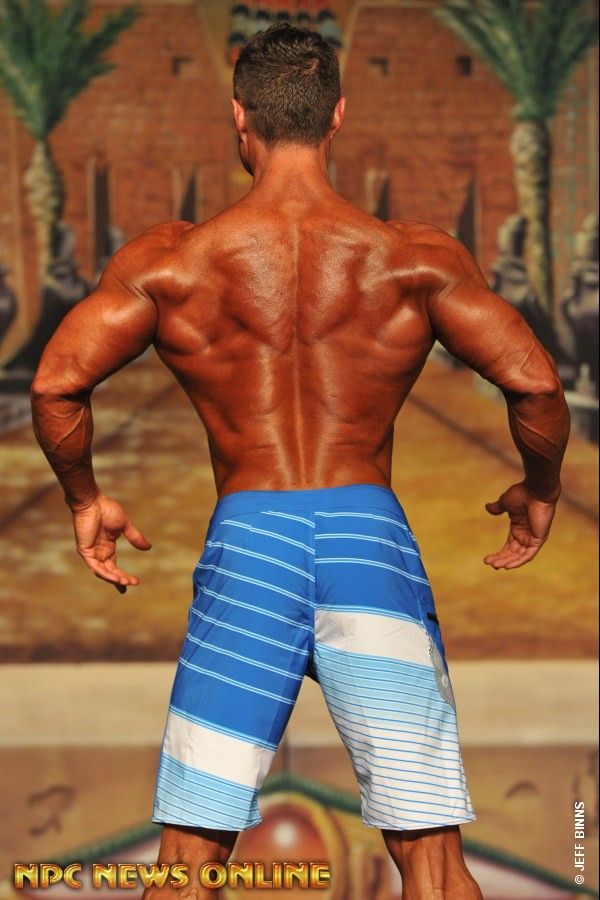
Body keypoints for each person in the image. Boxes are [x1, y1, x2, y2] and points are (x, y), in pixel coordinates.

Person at [30, 24, 570, 900]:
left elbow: (58, 383)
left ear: (239, 117)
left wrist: (86, 499)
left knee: (188, 862)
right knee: (432, 862)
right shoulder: (412, 258)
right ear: (338, 117)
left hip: (251, 544)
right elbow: (536, 383)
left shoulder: (172, 262)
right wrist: (540, 489)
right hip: (367, 541)